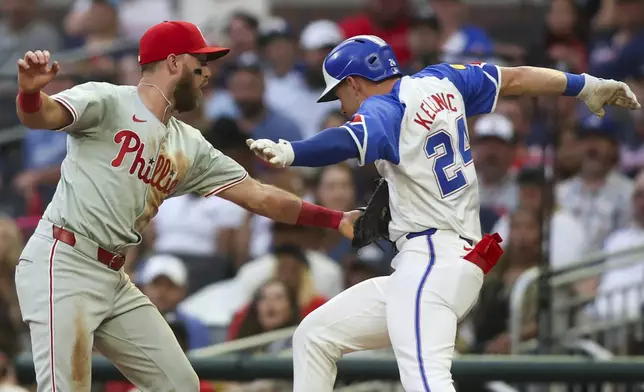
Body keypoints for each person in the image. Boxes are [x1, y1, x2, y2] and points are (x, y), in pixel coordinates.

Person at [247, 35, 640, 392]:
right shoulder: (442, 80)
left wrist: (292, 151)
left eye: (339, 93)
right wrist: (586, 85)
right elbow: (517, 79)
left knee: (426, 380)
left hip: (431, 260)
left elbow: (345, 140)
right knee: (315, 335)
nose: (342, 103)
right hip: (445, 260)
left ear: (353, 82)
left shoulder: (384, 108)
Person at [13, 20, 357, 392]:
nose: (207, 73)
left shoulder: (190, 144)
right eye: (200, 63)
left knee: (180, 385)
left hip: (112, 273)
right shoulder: (108, 100)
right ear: (173, 62)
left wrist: (335, 219)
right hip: (63, 259)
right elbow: (41, 115)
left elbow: (260, 196)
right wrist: (30, 94)